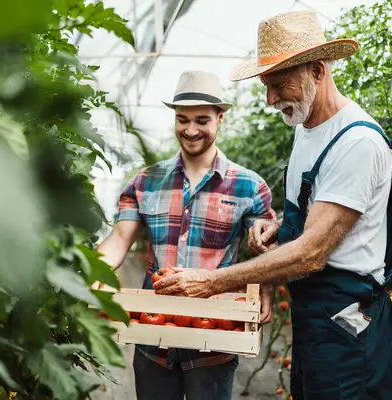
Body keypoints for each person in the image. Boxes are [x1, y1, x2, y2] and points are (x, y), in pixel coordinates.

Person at [153, 11, 392, 399]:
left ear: (318, 71)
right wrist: (281, 228)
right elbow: (317, 219)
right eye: (266, 86)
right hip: (316, 316)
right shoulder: (307, 128)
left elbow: (310, 253)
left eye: (279, 85)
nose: (272, 99)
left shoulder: (357, 143)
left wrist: (208, 281)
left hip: (349, 319)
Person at [96, 70, 277, 400]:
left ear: (220, 119)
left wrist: (267, 286)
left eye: (202, 120)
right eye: (183, 119)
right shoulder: (145, 181)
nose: (191, 130)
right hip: (153, 333)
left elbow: (264, 247)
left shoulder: (249, 186)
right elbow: (120, 239)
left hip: (215, 337)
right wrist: (93, 270)